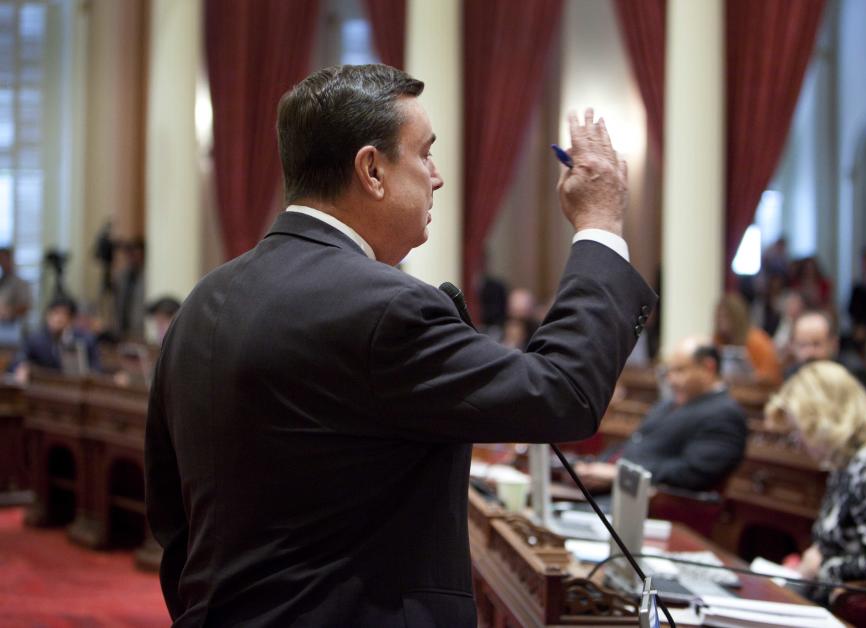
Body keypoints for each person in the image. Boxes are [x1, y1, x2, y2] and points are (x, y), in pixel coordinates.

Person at [145, 64, 657, 627]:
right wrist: (601, 225)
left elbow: (172, 517)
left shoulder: (201, 302)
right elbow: (564, 394)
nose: (437, 177)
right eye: (425, 153)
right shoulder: (385, 308)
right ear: (372, 170)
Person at [765, 361, 866, 603]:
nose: (798, 441)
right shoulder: (848, 460)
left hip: (865, 611)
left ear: (825, 420)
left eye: (801, 430)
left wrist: (820, 567)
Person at [575, 337, 747, 492]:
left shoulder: (725, 414)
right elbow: (636, 444)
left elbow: (694, 473)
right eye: (669, 371)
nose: (671, 379)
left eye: (680, 370)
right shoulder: (668, 404)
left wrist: (622, 474)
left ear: (708, 367)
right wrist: (594, 466)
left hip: (650, 505)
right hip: (611, 492)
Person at [13, 296, 101, 379]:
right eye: (55, 313)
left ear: (71, 319)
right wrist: (23, 366)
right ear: (47, 315)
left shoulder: (86, 340)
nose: (58, 319)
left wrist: (89, 374)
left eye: (64, 315)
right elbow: (20, 359)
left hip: (75, 387)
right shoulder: (35, 339)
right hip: (43, 386)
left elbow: (96, 368)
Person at [786, 310, 866, 396]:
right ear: (792, 346)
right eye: (803, 345)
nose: (810, 352)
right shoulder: (792, 375)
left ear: (834, 344)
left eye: (816, 344)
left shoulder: (853, 372)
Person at [714, 292, 782, 384]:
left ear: (737, 317)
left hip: (756, 394)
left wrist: (746, 377)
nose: (721, 321)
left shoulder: (757, 340)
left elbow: (771, 376)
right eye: (719, 317)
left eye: (725, 317)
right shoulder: (719, 339)